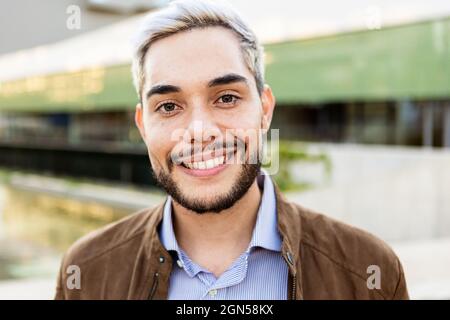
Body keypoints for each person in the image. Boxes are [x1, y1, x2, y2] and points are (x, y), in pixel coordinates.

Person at [55, 0, 408, 300]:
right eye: (168, 106)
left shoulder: (367, 272)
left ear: (265, 109)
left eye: (226, 98)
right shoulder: (87, 272)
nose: (200, 132)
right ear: (143, 125)